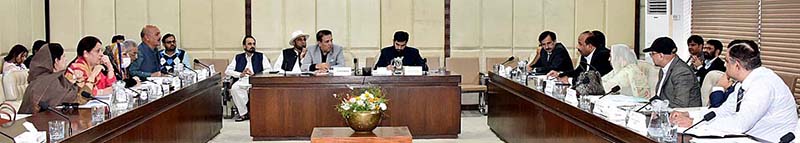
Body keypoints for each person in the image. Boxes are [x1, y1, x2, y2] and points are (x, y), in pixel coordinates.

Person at [670, 40, 797, 142]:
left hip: (766, 140)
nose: (724, 66)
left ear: (737, 65)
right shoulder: (744, 82)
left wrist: (693, 123)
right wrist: (692, 116)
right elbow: (724, 111)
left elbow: (740, 124)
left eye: (726, 62)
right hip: (748, 136)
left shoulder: (763, 85)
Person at [18, 43, 78, 114]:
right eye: (63, 57)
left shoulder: (48, 77)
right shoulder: (49, 81)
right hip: (37, 121)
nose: (66, 59)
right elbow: (71, 99)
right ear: (56, 61)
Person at [224, 35, 273, 122]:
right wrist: (240, 74)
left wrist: (255, 74)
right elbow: (228, 71)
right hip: (242, 80)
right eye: (249, 44)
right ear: (244, 46)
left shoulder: (261, 56)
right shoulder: (238, 57)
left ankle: (251, 112)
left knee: (255, 90)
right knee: (235, 88)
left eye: (254, 44)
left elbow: (269, 70)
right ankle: (244, 114)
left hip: (255, 80)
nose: (252, 46)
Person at [643, 37, 701, 108]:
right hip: (664, 112)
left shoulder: (682, 72)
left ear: (661, 55)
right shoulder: (663, 69)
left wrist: (659, 105)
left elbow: (680, 104)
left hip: (683, 115)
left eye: (652, 54)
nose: (651, 56)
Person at [65, 36, 117, 103]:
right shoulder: (76, 69)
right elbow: (82, 94)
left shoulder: (94, 67)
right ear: (86, 53)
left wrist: (110, 67)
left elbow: (112, 86)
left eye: (102, 51)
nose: (101, 54)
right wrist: (102, 92)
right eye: (98, 51)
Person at [548, 30, 613, 83]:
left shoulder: (602, 55)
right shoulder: (585, 55)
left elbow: (591, 79)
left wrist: (569, 80)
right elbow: (577, 72)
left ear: (589, 46)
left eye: (580, 44)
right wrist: (559, 74)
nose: (577, 47)